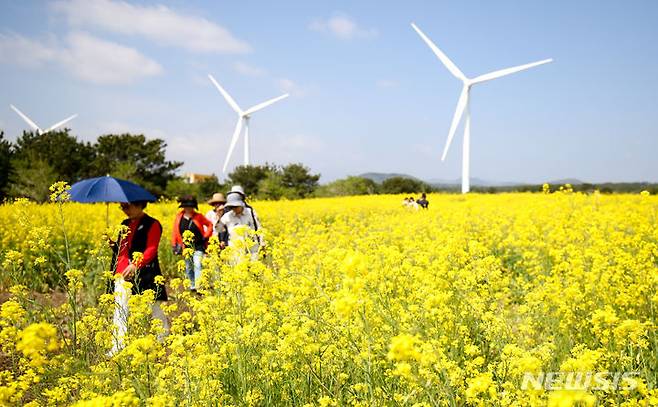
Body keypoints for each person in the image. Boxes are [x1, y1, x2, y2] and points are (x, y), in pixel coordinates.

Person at [107, 200, 169, 355]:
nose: (124, 210)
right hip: (122, 272)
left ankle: (162, 339)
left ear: (139, 205)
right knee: (120, 309)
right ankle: (118, 345)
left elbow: (151, 249)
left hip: (146, 272)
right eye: (122, 207)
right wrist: (114, 245)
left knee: (155, 306)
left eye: (127, 206)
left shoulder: (153, 224)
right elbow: (124, 248)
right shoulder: (124, 223)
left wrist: (136, 264)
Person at [172, 195, 213, 291]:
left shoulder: (198, 216)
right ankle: (192, 285)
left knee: (198, 264)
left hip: (199, 245)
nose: (188, 208)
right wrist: (174, 245)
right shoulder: (179, 217)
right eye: (186, 206)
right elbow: (174, 231)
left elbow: (210, 225)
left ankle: (199, 286)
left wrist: (206, 236)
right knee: (188, 266)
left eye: (190, 206)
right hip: (185, 247)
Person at [220, 193, 262, 260]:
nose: (234, 209)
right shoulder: (227, 216)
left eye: (236, 206)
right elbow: (217, 229)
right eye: (232, 207)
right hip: (236, 250)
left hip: (252, 248)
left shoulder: (250, 212)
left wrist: (262, 242)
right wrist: (221, 240)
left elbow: (259, 228)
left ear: (241, 204)